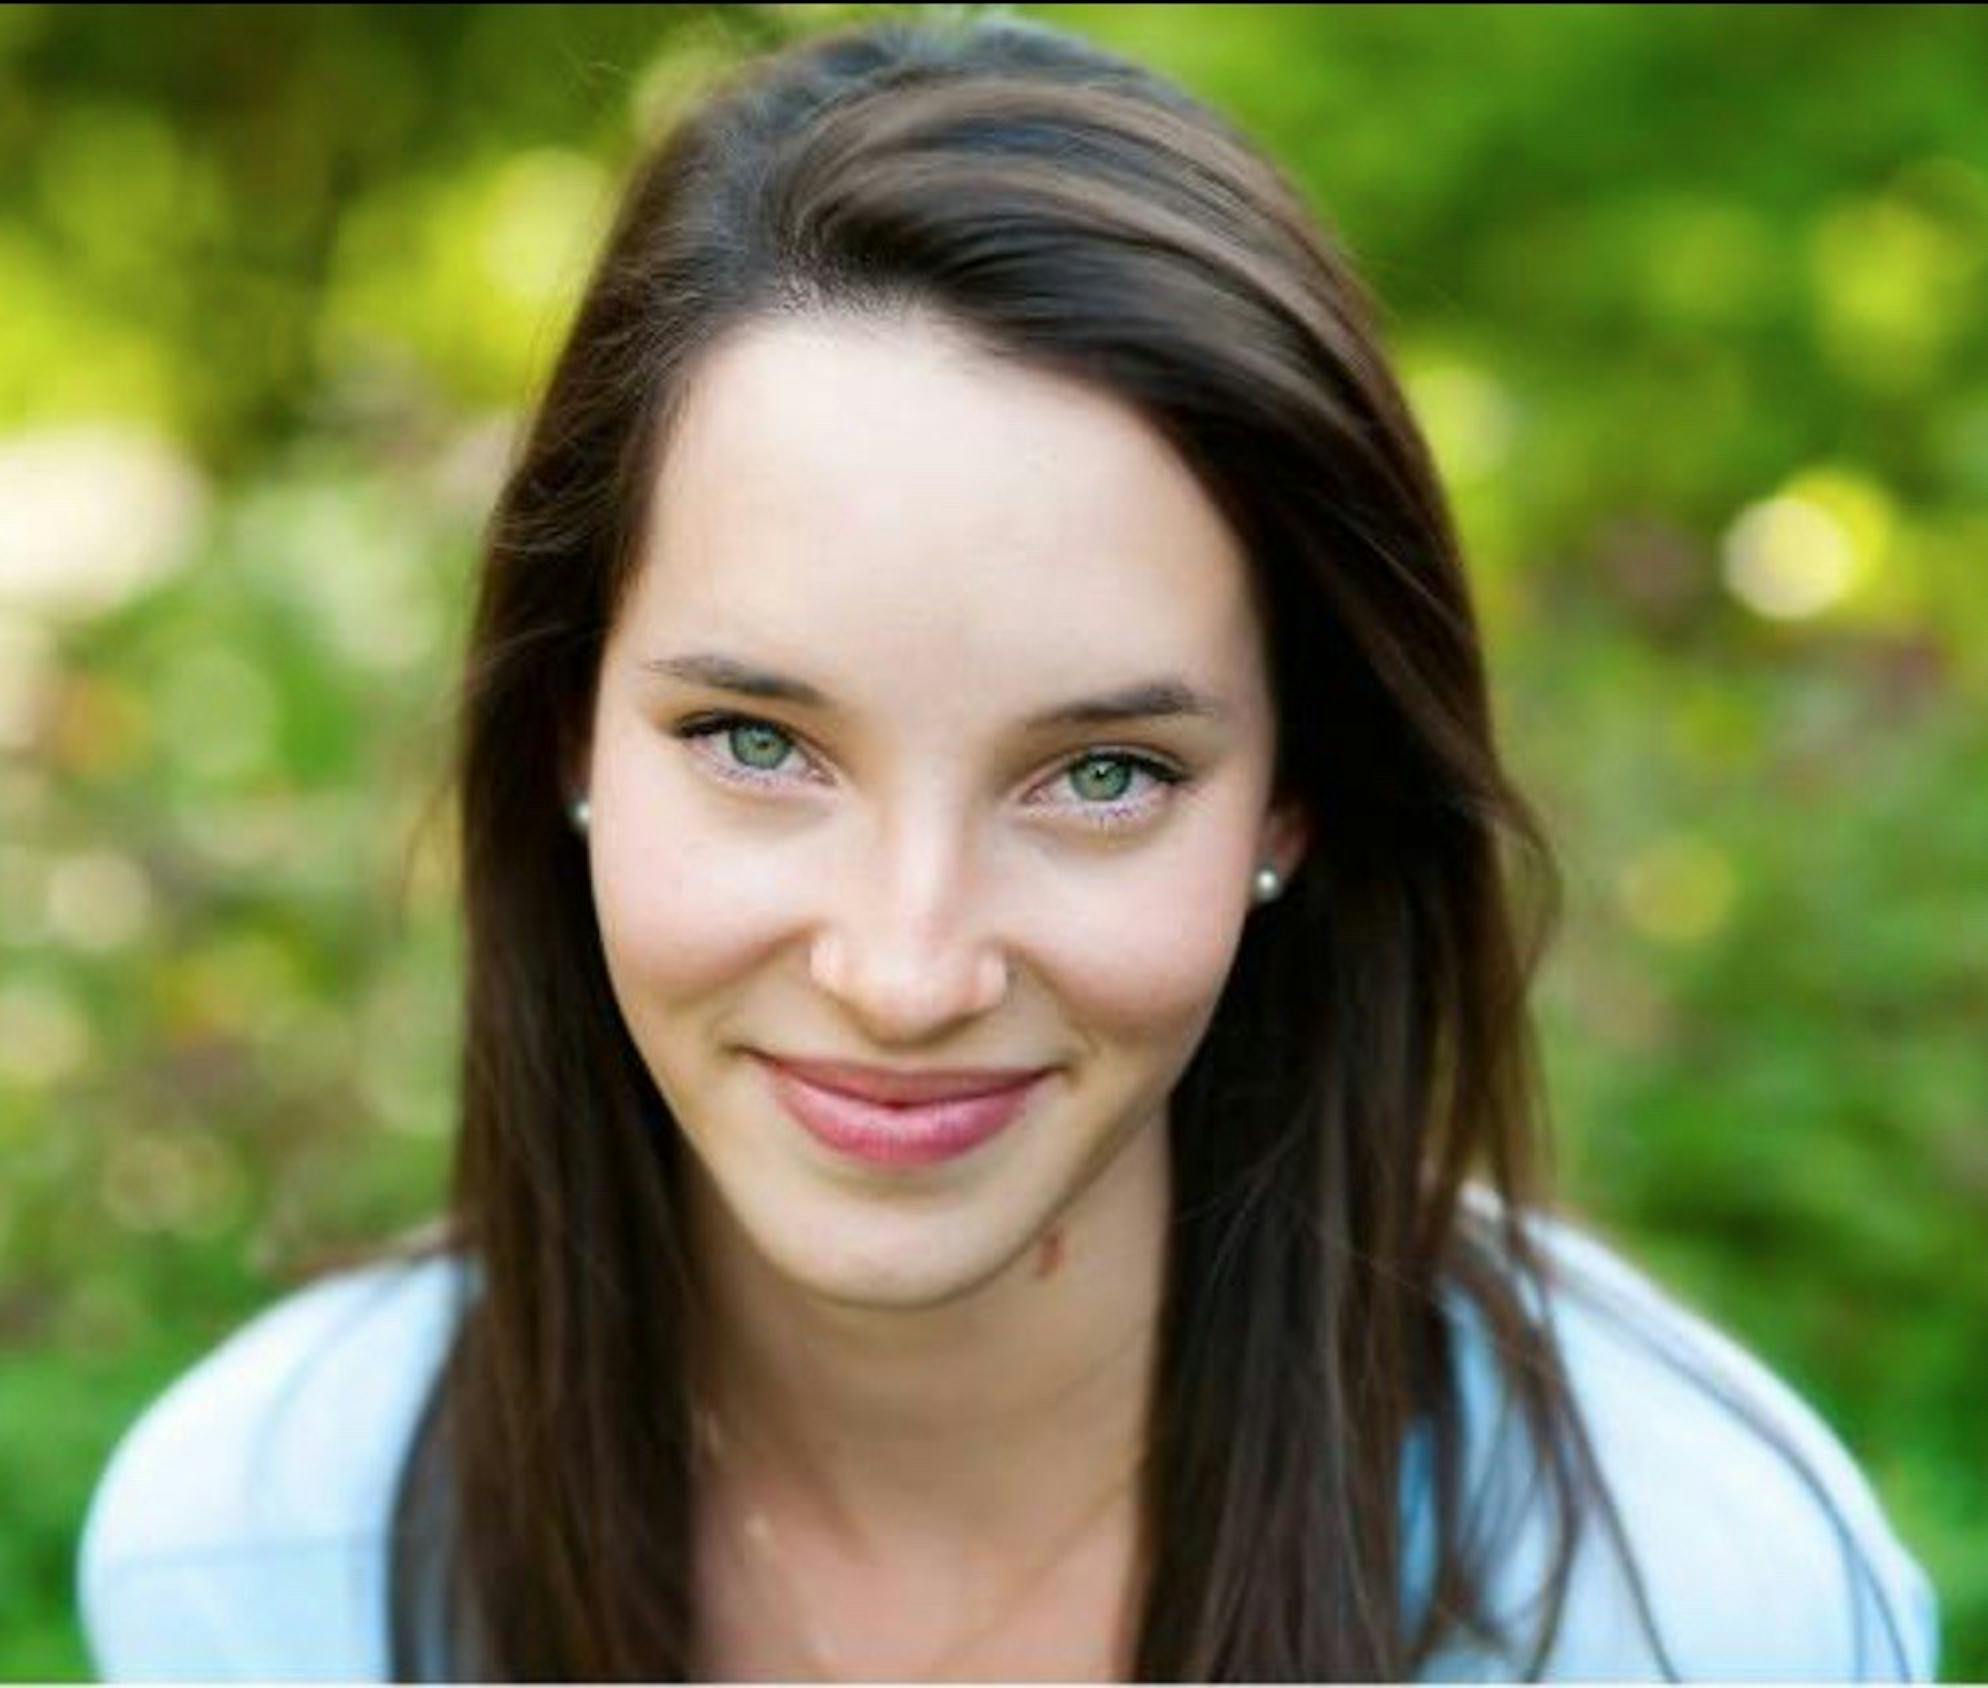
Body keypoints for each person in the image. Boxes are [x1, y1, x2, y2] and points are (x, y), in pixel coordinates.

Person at [77, 14, 1938, 1681]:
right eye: (757, 744)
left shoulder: (1687, 1609)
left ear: (1295, 796)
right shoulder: (271, 1563)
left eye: (1102, 775)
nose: (907, 973)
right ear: (570, 731)